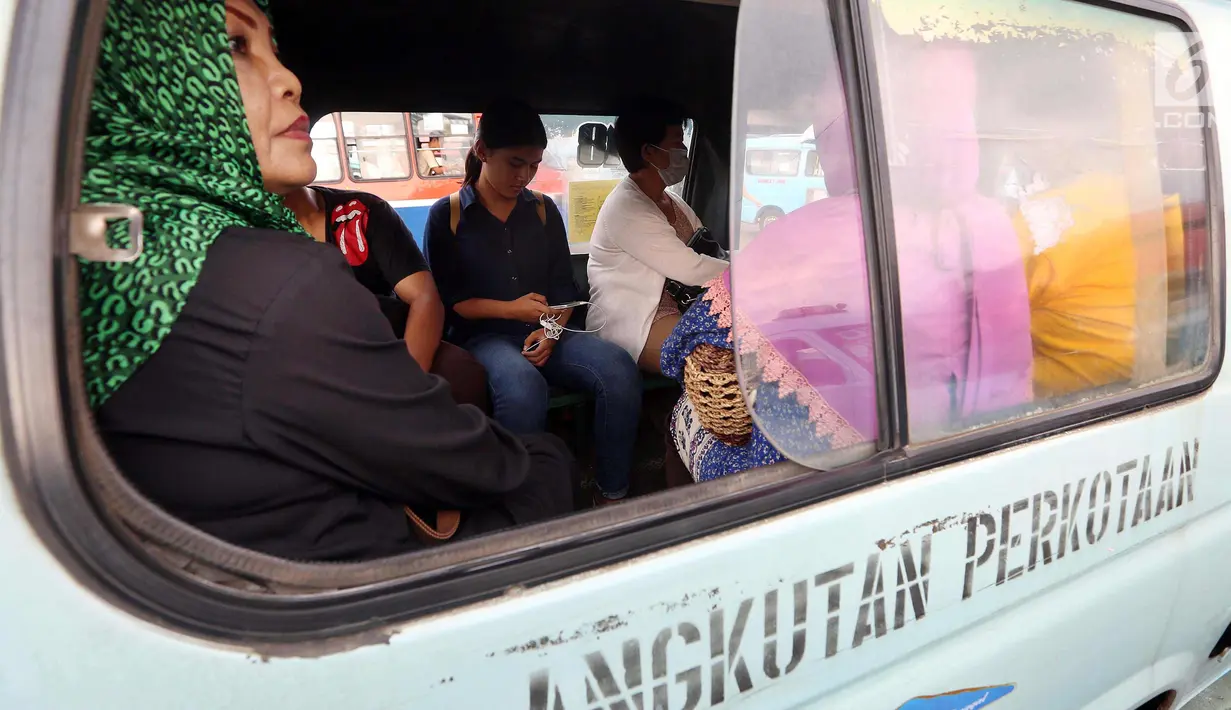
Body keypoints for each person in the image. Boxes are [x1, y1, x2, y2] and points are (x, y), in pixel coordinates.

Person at [79, 0, 574, 561]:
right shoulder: (286, 281)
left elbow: (540, 291)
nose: (289, 80)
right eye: (236, 45)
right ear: (153, 81)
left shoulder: (111, 264)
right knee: (544, 457)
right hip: (348, 566)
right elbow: (462, 429)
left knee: (599, 371)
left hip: (232, 552)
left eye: (277, 51)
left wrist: (552, 328)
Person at [662, 39, 1034, 481]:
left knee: (684, 419)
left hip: (839, 467)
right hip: (982, 457)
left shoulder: (823, 227)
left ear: (844, 136)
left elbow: (710, 362)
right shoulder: (994, 223)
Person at [422, 100, 641, 506]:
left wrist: (553, 332)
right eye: (514, 163)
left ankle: (612, 494)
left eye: (534, 165)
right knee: (523, 389)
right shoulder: (448, 216)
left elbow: (563, 288)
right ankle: (525, 508)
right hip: (485, 337)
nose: (524, 176)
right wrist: (512, 310)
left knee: (618, 369)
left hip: (548, 330)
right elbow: (452, 303)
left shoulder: (542, 210)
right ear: (482, 152)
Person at [282, 184, 490, 412]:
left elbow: (424, 297)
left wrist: (406, 385)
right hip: (301, 361)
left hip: (383, 346)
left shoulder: (363, 212)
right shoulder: (242, 237)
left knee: (461, 372)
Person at [587, 98, 728, 374]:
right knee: (716, 362)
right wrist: (749, 276)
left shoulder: (673, 202)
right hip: (636, 320)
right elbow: (691, 268)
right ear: (649, 152)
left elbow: (710, 253)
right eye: (677, 142)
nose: (684, 151)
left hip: (681, 308)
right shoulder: (627, 207)